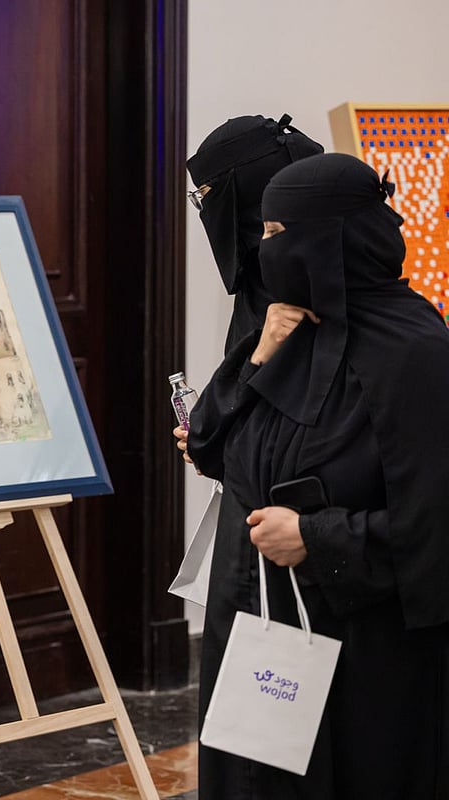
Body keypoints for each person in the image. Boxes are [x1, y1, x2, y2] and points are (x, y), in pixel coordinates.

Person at [184, 153, 449, 798]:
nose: (265, 250)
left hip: (363, 649)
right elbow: (209, 447)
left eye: (279, 234)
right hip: (256, 627)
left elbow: (436, 524)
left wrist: (317, 537)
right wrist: (260, 352)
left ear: (332, 240)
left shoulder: (415, 354)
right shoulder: (289, 328)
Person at [186, 114, 323, 353]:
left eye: (205, 194)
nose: (205, 209)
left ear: (243, 190)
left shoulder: (312, 279)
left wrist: (258, 359)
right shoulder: (257, 277)